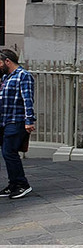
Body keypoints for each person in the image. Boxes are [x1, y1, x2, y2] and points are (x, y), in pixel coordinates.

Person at [0, 49, 36, 199]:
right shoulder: (5, 77)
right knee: (6, 153)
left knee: (9, 152)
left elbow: (27, 99)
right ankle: (13, 183)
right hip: (4, 120)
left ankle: (22, 184)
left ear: (7, 61)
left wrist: (29, 121)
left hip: (16, 120)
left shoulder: (24, 76)